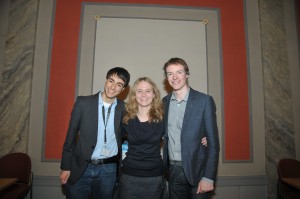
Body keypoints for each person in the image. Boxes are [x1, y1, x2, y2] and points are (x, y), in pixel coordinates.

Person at [60, 67, 130, 199]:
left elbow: (128, 134)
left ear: (123, 89)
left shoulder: (124, 108)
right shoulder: (83, 103)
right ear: (106, 80)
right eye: (111, 81)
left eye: (119, 84)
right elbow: (70, 136)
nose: (113, 87)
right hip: (81, 167)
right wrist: (65, 167)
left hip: (108, 169)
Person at [162, 57, 220, 199]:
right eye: (170, 74)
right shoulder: (164, 102)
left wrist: (208, 177)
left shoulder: (204, 101)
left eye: (179, 72)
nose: (174, 77)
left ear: (187, 74)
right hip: (173, 170)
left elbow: (213, 144)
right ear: (166, 77)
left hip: (198, 170)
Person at [118, 77, 167, 199]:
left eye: (148, 91)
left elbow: (180, 133)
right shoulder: (125, 117)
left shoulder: (163, 117)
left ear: (154, 94)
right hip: (129, 176)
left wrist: (202, 138)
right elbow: (112, 138)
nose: (143, 95)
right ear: (134, 95)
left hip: (155, 177)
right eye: (139, 91)